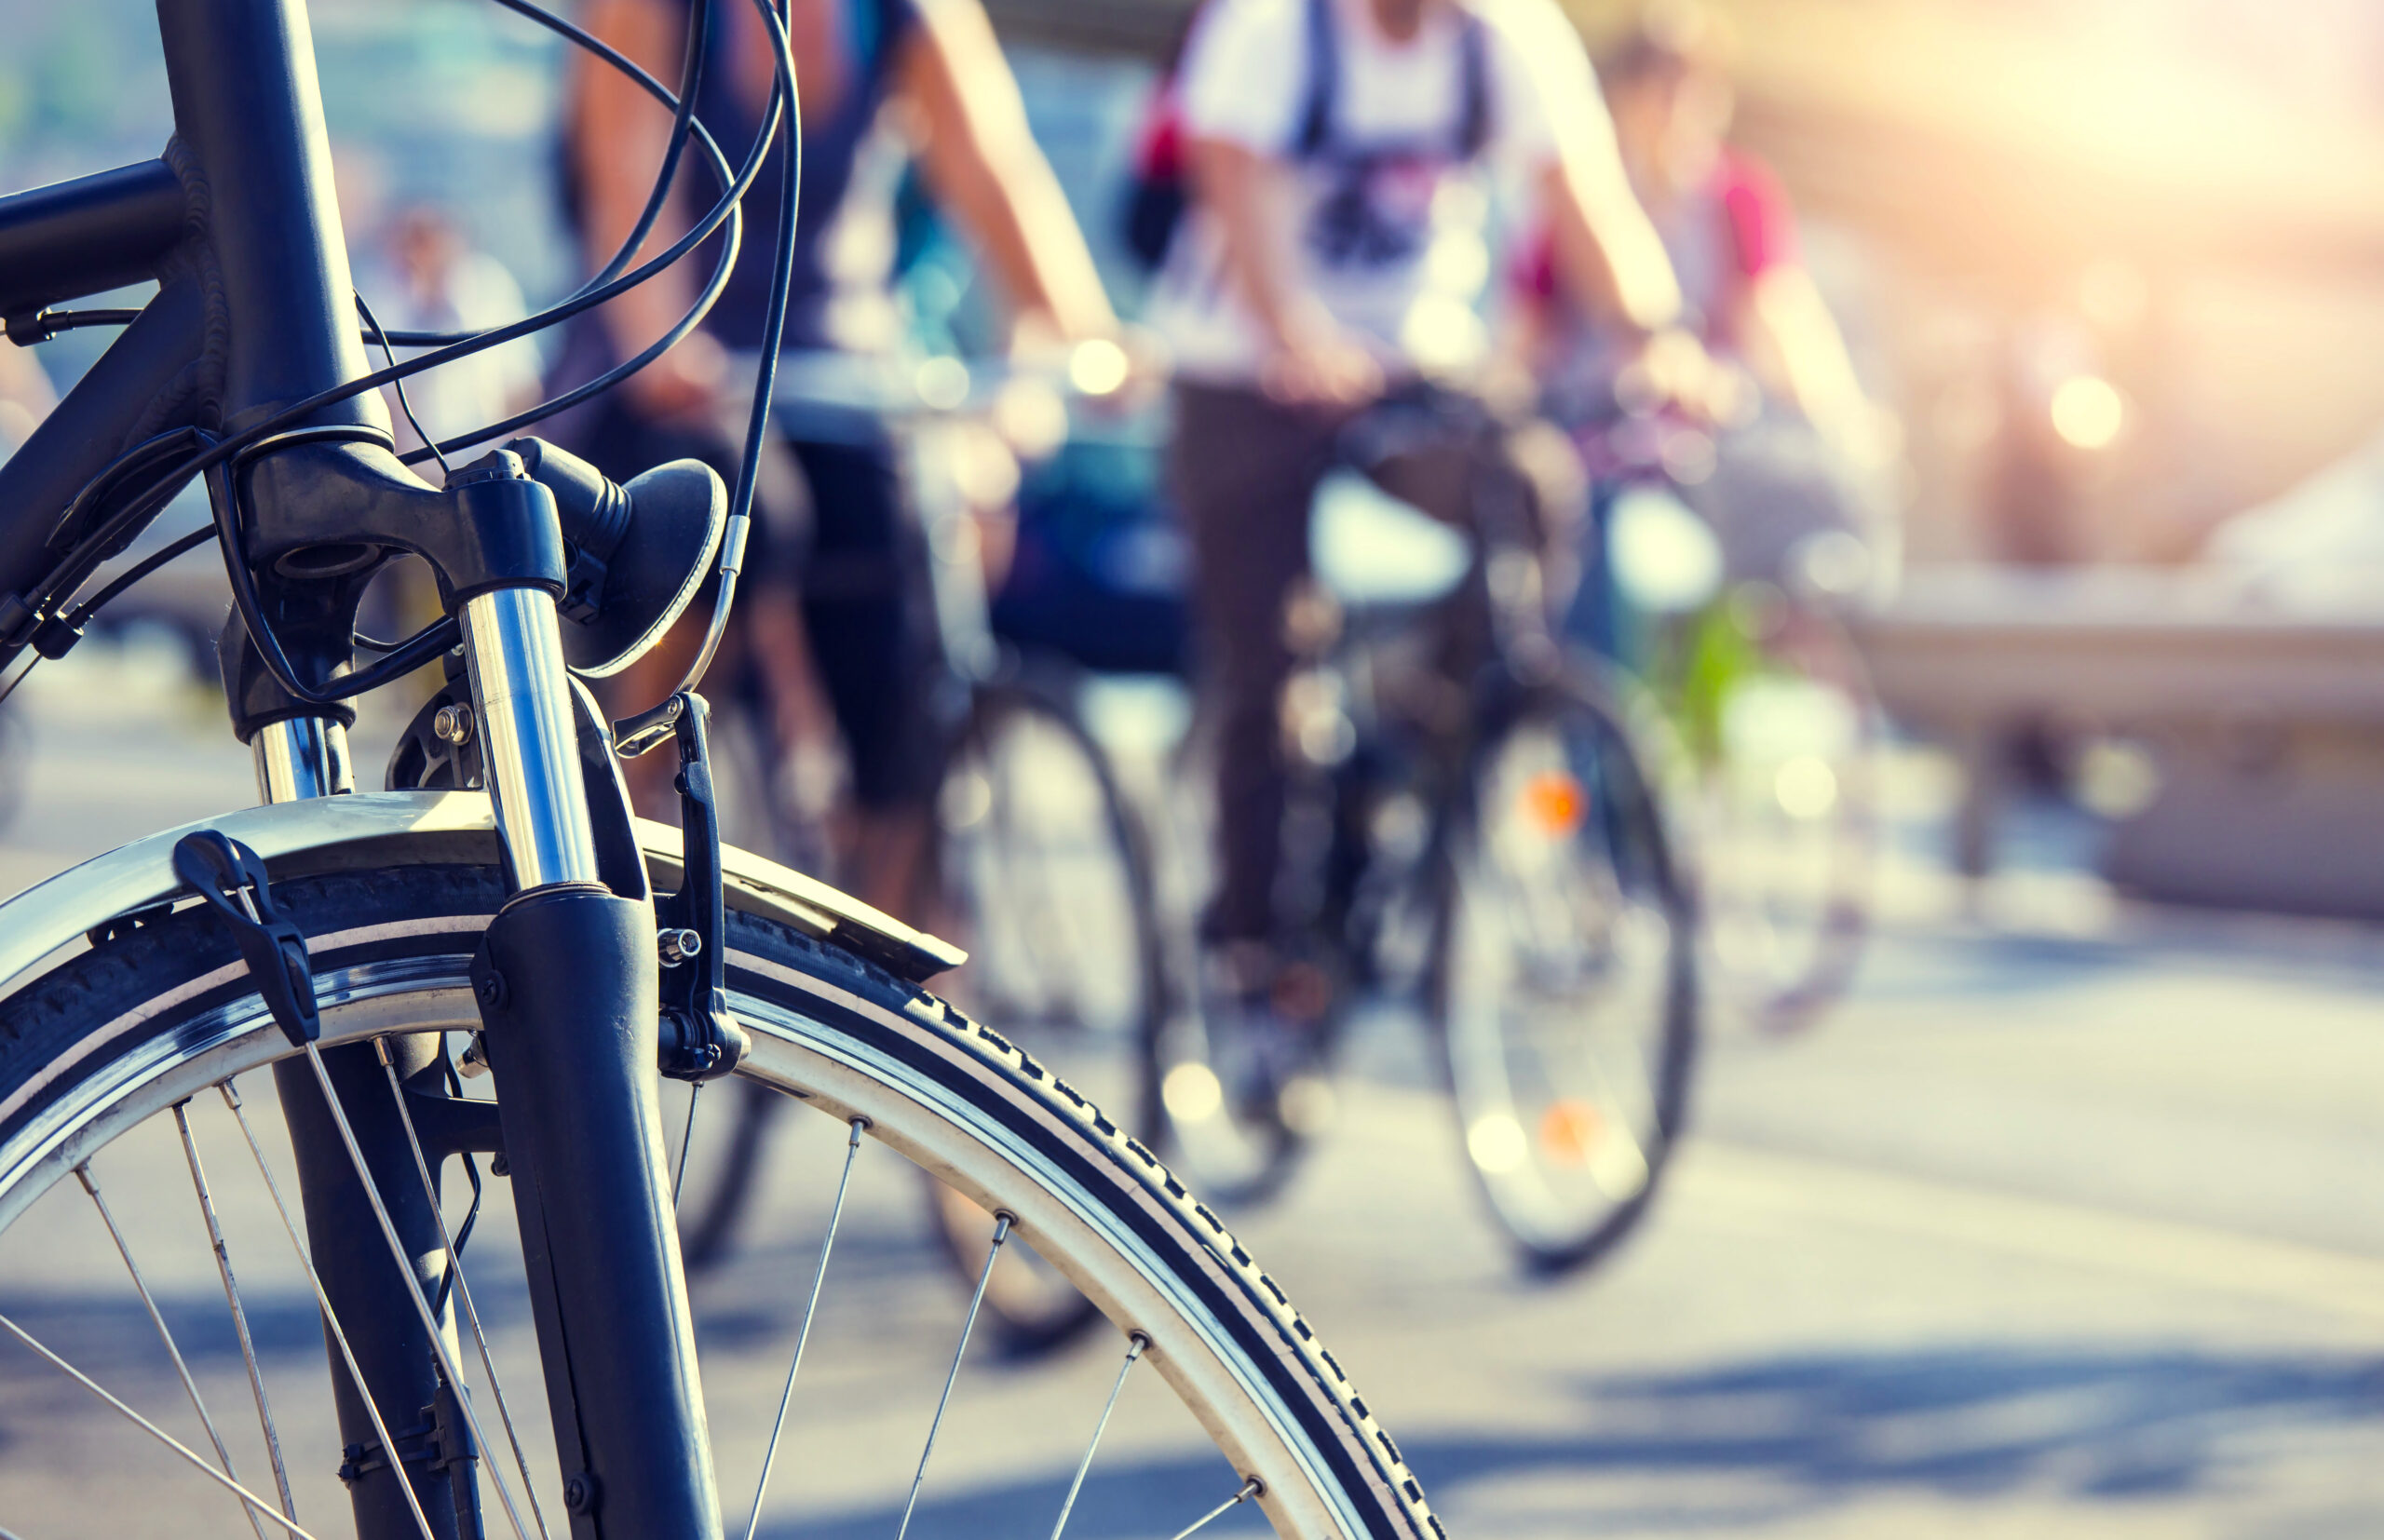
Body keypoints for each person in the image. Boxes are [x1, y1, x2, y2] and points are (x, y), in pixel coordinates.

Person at [1149, 0, 1699, 1014]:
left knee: (1530, 491)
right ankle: (1251, 948)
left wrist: (1653, 336)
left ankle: (1407, 753)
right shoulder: (1271, 30)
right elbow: (1227, 179)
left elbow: (1583, 199)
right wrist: (1294, 330)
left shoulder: (1504, 40)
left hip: (1413, 366)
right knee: (1265, 663)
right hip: (1244, 370)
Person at [559, 0, 1125, 916]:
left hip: (837, 371)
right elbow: (622, 169)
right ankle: (622, 799)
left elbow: (994, 173)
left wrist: (1078, 335)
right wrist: (666, 345)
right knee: (738, 518)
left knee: (902, 615)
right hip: (677, 368)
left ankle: (891, 948)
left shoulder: (896, 15)